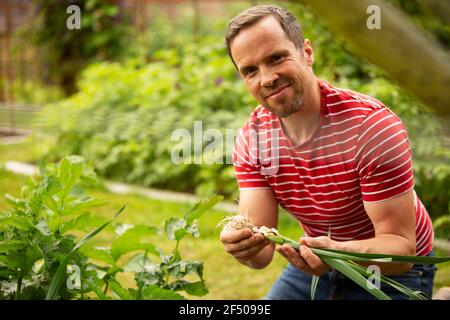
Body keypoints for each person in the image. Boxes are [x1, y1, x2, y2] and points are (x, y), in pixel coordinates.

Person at [219, 5, 436, 300]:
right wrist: (242, 246)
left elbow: (400, 251)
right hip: (317, 258)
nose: (267, 78)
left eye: (276, 58)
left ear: (307, 53)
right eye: (250, 71)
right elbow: (261, 254)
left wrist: (339, 252)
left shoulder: (370, 128)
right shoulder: (254, 139)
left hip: (391, 270)